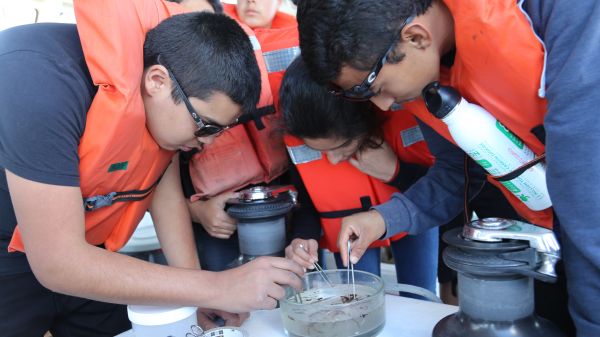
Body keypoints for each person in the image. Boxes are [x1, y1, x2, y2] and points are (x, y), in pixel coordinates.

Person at [296, 0, 599, 335]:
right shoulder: (423, 76)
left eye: (376, 88)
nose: (383, 104)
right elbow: (458, 172)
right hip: (543, 240)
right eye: (360, 95)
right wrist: (384, 218)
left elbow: (587, 193)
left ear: (416, 38)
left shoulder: (559, 12)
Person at [0, 1, 303, 336]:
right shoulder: (40, 85)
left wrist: (199, 298)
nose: (209, 143)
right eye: (205, 126)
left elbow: (163, 189)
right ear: (157, 81)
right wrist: (217, 287)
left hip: (88, 248)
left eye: (219, 131)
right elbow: (58, 263)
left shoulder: (157, 91)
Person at [279, 57, 439, 295]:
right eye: (320, 151)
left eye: (340, 147)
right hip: (347, 232)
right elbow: (307, 201)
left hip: (413, 221)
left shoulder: (404, 114)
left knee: (420, 296)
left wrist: (396, 171)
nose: (332, 160)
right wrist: (303, 237)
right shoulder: (301, 129)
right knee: (358, 300)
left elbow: (444, 191)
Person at [179, 0, 300, 271]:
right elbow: (158, 174)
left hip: (282, 205)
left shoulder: (298, 54)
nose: (252, 1)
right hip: (214, 217)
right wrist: (196, 212)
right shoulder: (183, 79)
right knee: (228, 304)